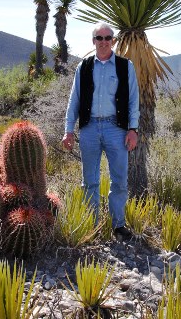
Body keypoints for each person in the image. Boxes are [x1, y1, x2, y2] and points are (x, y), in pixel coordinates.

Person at [62, 22, 140, 241]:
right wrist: (68, 130)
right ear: (93, 41)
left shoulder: (126, 66)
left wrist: (133, 129)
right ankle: (92, 225)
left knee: (119, 180)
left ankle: (118, 225)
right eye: (99, 38)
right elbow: (74, 100)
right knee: (90, 181)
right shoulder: (84, 67)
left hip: (117, 129)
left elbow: (134, 100)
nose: (104, 42)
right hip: (89, 129)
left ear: (113, 41)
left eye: (108, 38)